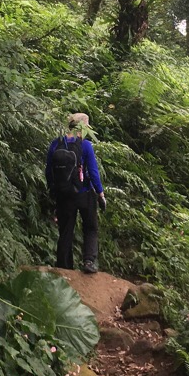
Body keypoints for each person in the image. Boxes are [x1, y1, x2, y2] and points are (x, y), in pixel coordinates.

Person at [45, 112, 106, 273]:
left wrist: (54, 189)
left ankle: (64, 268)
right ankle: (89, 262)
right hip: (85, 193)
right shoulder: (85, 145)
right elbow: (93, 172)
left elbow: (49, 171)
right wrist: (100, 193)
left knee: (65, 231)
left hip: (64, 195)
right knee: (90, 228)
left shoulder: (56, 144)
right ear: (83, 127)